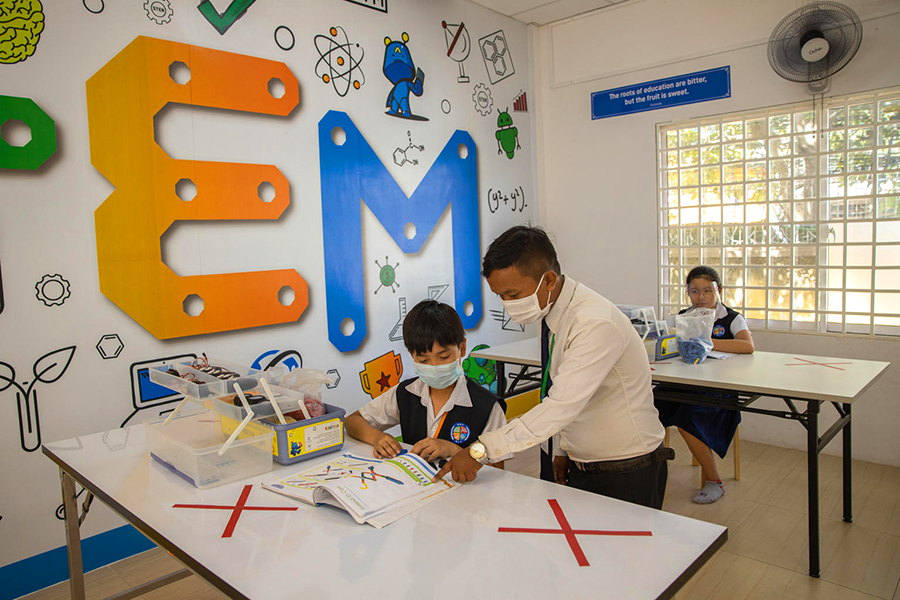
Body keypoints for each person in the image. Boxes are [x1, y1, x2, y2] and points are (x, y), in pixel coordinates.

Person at [434, 226, 669, 510]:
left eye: (512, 294)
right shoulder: (552, 309)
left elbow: (560, 406)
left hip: (625, 468)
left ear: (548, 280)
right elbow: (560, 384)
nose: (507, 304)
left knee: (622, 553)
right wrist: (562, 449)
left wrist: (479, 450)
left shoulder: (593, 323)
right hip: (583, 461)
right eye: (500, 296)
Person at [345, 300, 510, 468]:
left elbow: (498, 470)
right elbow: (352, 421)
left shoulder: (487, 406)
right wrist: (377, 438)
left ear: (462, 348)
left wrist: (455, 450)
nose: (434, 366)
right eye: (423, 360)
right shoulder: (406, 393)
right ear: (412, 355)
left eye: (444, 357)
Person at [655, 266, 754, 504]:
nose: (701, 297)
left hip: (718, 390)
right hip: (685, 383)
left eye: (707, 291)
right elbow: (661, 335)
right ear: (688, 293)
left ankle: (714, 481)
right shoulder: (684, 317)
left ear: (718, 291)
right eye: (695, 291)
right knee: (647, 405)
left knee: (689, 417)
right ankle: (650, 468)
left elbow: (747, 346)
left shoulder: (730, 318)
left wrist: (708, 342)